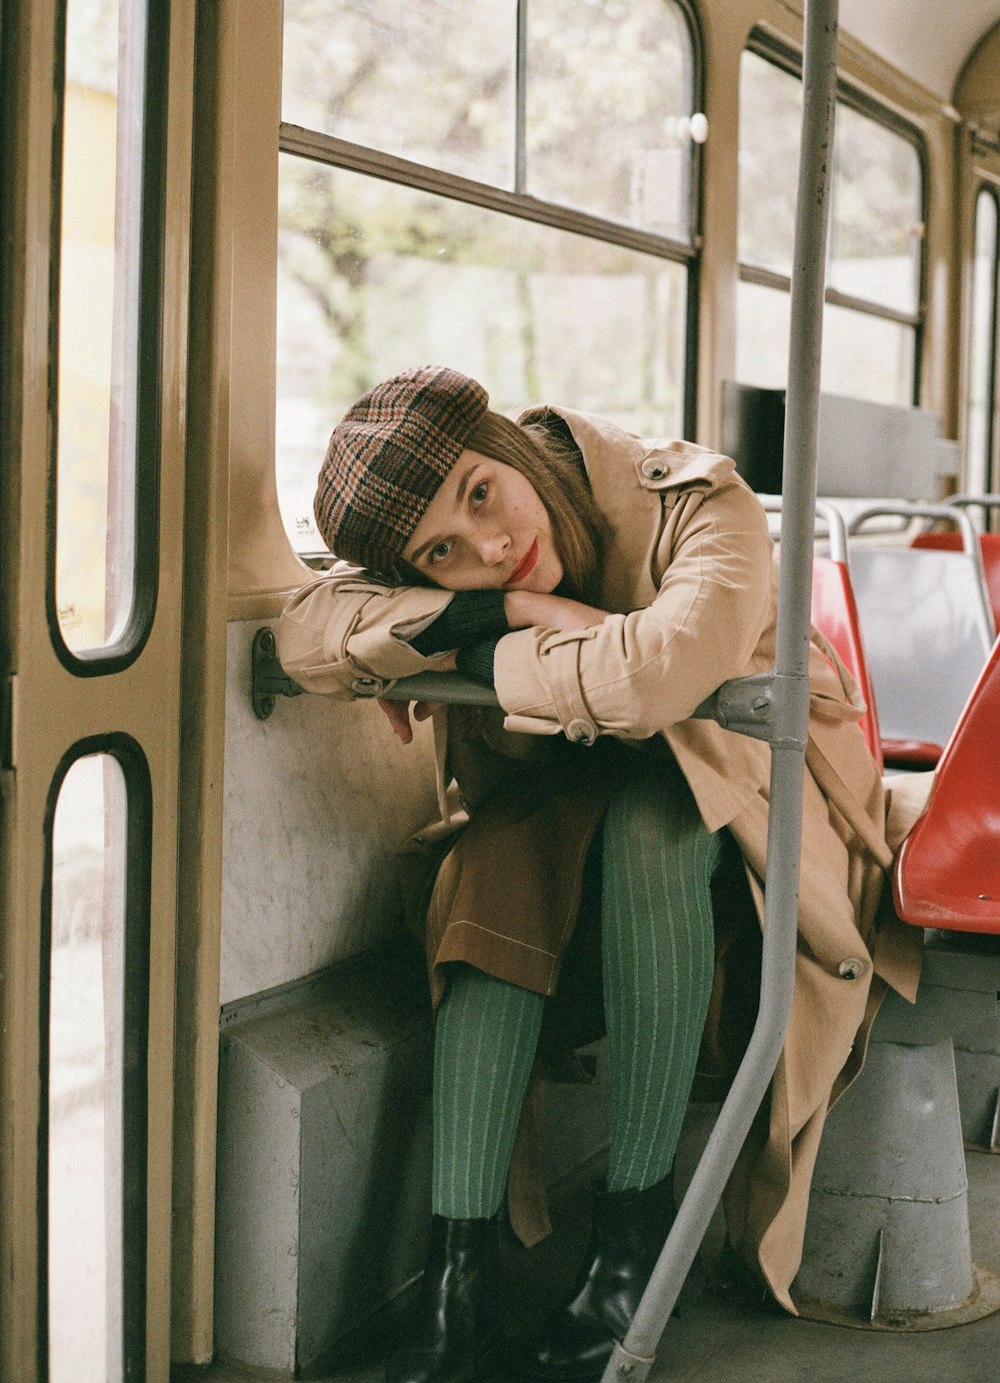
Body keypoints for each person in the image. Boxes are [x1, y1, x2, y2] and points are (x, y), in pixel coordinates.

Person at [277, 366, 925, 1383]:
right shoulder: (489, 574)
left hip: (760, 808)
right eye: (438, 555)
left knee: (646, 826)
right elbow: (300, 634)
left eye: (482, 494)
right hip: (572, 801)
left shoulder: (700, 503)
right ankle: (463, 1287)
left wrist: (452, 654)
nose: (484, 549)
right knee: (487, 865)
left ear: (509, 444)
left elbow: (654, 680)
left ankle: (630, 1247)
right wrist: (499, 615)